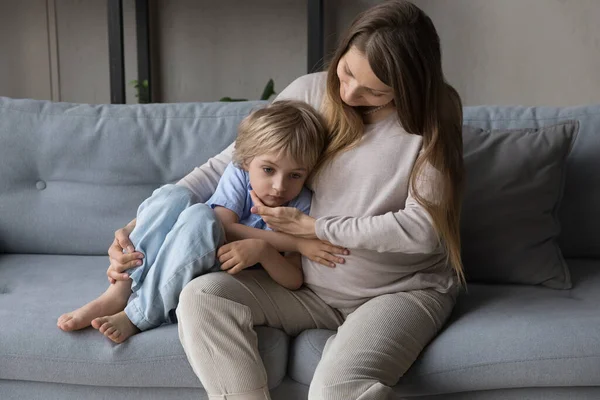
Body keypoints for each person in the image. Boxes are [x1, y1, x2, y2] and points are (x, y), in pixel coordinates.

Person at [108, 0, 465, 397]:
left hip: (399, 291)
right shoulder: (311, 91)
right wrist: (135, 228)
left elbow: (423, 231)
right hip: (305, 290)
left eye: (374, 91)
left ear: (410, 86)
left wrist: (316, 229)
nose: (347, 93)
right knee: (202, 296)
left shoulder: (433, 121)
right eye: (346, 72)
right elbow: (232, 163)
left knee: (334, 391)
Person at [57, 100, 349, 344]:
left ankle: (139, 315)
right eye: (269, 169)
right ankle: (119, 289)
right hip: (177, 247)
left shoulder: (301, 203)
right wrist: (297, 241)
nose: (279, 186)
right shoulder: (239, 175)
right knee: (177, 196)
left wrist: (264, 252)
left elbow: (294, 279)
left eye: (295, 175)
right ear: (247, 161)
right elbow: (224, 226)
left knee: (200, 217)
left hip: (199, 270)